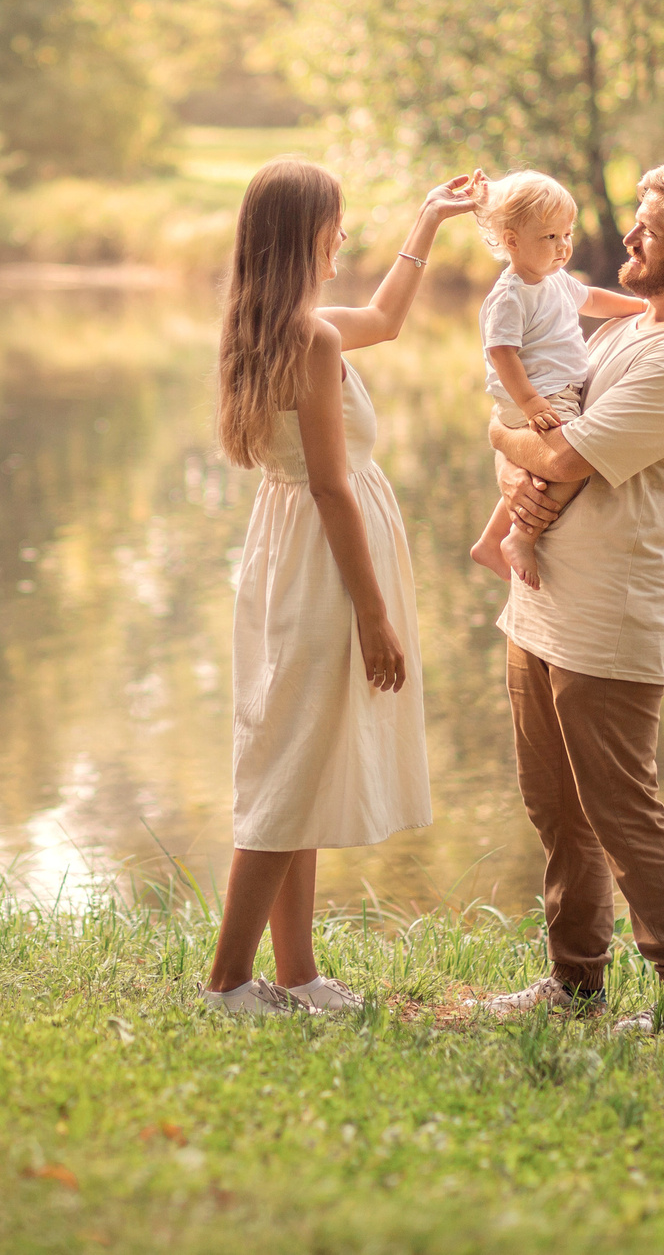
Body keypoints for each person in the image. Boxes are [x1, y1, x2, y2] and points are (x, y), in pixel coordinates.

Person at [201, 158, 479, 1016]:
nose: (345, 233)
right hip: (324, 568)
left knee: (302, 757)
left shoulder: (274, 327)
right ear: (304, 235)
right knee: (287, 769)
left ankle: (297, 974)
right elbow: (330, 485)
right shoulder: (312, 339)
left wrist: (428, 220)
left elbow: (387, 321)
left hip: (287, 557)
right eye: (336, 220)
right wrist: (373, 615)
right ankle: (226, 983)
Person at [473, 161, 664, 1034]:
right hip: (543, 597)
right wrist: (520, 469)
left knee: (622, 808)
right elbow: (552, 416)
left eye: (650, 228)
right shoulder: (628, 330)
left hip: (613, 611)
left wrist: (497, 431)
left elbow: (560, 454)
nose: (628, 235)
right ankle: (576, 981)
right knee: (557, 806)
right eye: (635, 217)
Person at [462, 171, 650, 588]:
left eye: (567, 234)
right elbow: (501, 352)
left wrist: (639, 307)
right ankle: (521, 536)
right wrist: (530, 403)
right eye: (550, 237)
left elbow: (593, 299)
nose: (563, 246)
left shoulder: (556, 279)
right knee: (572, 464)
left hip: (552, 391)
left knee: (535, 474)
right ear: (512, 241)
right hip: (538, 393)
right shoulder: (511, 295)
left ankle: (490, 541)